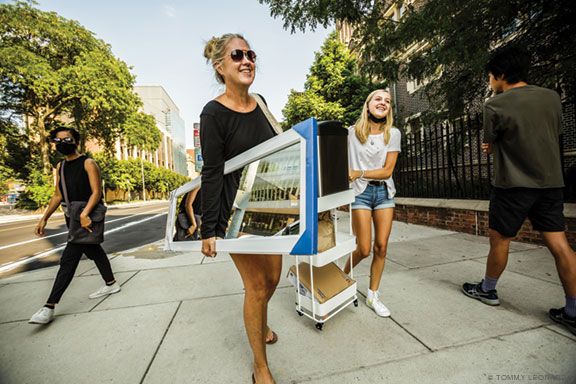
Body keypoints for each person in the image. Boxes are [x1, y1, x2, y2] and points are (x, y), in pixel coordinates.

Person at [462, 46, 576, 335]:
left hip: (512, 185)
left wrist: (492, 145)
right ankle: (573, 310)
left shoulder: (495, 104)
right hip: (550, 183)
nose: (490, 82)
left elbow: (490, 143)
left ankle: (487, 290)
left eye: (490, 76)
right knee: (560, 245)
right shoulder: (552, 97)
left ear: (501, 75)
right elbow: (551, 133)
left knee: (500, 240)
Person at [200, 33, 281, 384]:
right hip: (237, 215)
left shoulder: (261, 102)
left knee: (274, 279)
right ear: (221, 66)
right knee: (258, 287)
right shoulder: (213, 113)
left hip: (273, 207)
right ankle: (260, 367)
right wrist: (210, 229)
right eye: (237, 55)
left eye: (250, 54)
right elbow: (212, 173)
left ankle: (260, 324)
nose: (247, 60)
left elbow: (278, 150)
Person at [29, 127, 120, 325]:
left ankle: (49, 306)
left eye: (67, 139)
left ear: (76, 142)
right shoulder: (60, 166)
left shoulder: (88, 163)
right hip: (73, 217)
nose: (62, 143)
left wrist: (85, 214)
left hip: (85, 216)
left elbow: (96, 192)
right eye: (58, 140)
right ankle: (111, 283)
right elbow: (58, 195)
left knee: (68, 260)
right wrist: (44, 218)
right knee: (93, 250)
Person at [345, 89, 401, 318]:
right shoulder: (351, 133)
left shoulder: (393, 134)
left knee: (381, 247)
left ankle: (373, 295)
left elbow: (387, 171)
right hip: (360, 194)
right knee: (364, 249)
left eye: (387, 101)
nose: (383, 103)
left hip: (384, 194)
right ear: (368, 105)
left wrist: (359, 172)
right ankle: (340, 276)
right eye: (378, 99)